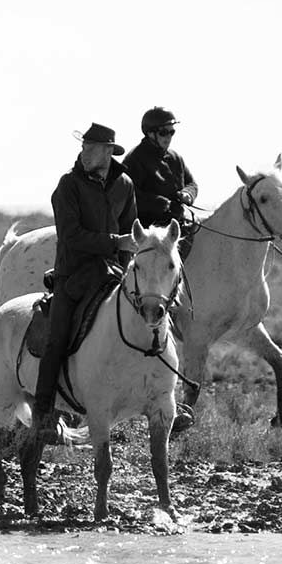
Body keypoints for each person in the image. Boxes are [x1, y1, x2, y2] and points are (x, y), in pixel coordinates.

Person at [30, 123, 139, 439]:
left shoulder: (125, 185)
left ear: (107, 151)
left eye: (90, 147)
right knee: (57, 340)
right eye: (84, 147)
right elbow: (72, 236)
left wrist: (126, 266)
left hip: (115, 277)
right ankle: (43, 416)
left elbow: (132, 233)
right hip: (73, 278)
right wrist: (114, 243)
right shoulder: (68, 186)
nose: (83, 152)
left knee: (152, 321)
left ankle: (157, 398)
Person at [123, 106, 198, 259]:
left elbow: (191, 183)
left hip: (176, 226)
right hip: (148, 233)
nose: (168, 136)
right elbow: (130, 195)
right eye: (163, 132)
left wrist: (187, 194)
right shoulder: (135, 159)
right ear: (150, 133)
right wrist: (165, 205)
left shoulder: (176, 158)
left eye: (172, 132)